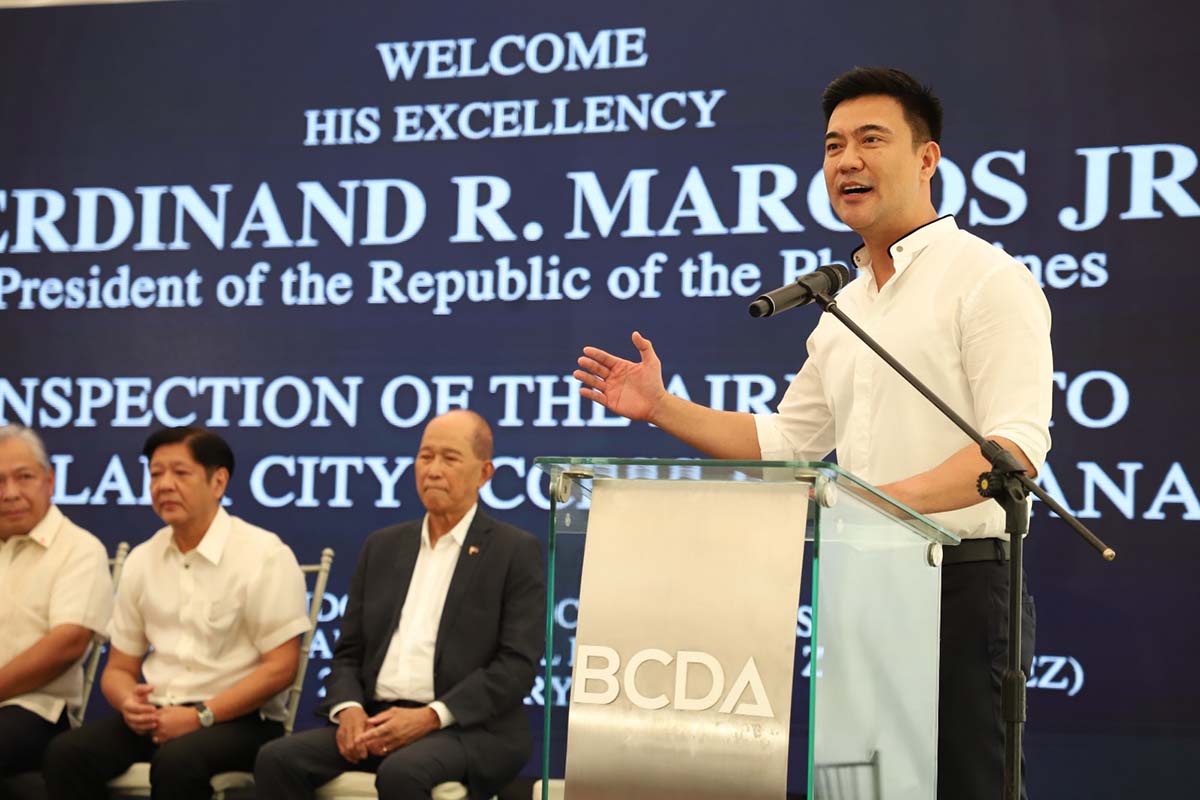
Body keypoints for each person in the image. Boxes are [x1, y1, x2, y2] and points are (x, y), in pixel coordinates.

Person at [573, 67, 1051, 799]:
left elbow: (1011, 453)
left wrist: (873, 506)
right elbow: (784, 444)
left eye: (870, 140)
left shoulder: (987, 279)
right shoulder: (845, 306)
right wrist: (662, 407)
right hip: (860, 587)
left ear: (927, 158)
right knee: (860, 787)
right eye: (833, 146)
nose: (846, 160)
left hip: (959, 586)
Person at [254, 410, 545, 800]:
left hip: (466, 728)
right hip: (377, 719)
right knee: (276, 759)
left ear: (484, 473)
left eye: (450, 458)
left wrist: (430, 716)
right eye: (425, 457)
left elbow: (516, 666)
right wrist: (349, 709)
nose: (433, 470)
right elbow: (348, 653)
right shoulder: (383, 546)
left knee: (402, 773)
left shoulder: (513, 550)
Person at [44, 426, 310, 800]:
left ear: (218, 482)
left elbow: (281, 667)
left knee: (177, 761)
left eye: (180, 473)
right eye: (155, 474)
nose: (164, 485)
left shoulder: (264, 555)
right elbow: (119, 669)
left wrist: (202, 714)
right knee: (67, 753)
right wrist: (128, 702)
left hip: (241, 720)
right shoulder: (142, 559)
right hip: (159, 715)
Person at [0, 425, 113, 780]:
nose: (10, 493)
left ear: (49, 481)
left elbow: (68, 643)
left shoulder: (79, 549)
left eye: (24, 477)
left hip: (36, 709)